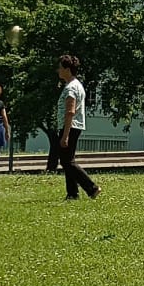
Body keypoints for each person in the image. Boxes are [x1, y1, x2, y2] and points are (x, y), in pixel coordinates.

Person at [56, 55, 100, 200]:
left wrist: (65, 135)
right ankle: (72, 193)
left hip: (70, 126)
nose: (58, 70)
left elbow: (70, 112)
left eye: (60, 68)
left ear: (67, 69)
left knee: (67, 161)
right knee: (68, 161)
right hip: (73, 126)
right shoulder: (76, 85)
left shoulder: (71, 88)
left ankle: (92, 188)